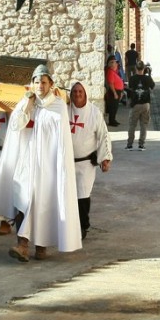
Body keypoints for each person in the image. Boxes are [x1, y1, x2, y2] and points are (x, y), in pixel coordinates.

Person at [0, 64, 81, 262]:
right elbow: (15, 126)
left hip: (48, 166)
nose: (40, 86)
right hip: (26, 163)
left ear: (51, 84)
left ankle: (41, 245)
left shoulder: (58, 106)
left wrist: (58, 168)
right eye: (36, 82)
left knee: (44, 203)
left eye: (43, 82)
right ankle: (22, 244)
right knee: (23, 200)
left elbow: (61, 142)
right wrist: (27, 107)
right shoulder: (26, 103)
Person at [68, 81, 112, 240]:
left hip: (85, 163)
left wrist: (105, 158)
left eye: (80, 92)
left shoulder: (94, 113)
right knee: (68, 195)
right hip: (67, 162)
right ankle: (69, 226)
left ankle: (82, 226)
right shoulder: (65, 111)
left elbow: (103, 135)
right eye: (74, 92)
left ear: (85, 93)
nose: (77, 94)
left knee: (82, 195)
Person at [126, 61, 155, 151]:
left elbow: (130, 89)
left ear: (136, 68)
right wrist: (149, 75)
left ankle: (130, 145)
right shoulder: (147, 78)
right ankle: (141, 145)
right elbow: (153, 86)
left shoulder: (132, 78)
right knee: (144, 125)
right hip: (145, 103)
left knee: (132, 125)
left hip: (135, 104)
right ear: (144, 68)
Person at [104, 57, 124, 126]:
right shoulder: (110, 72)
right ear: (109, 64)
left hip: (117, 91)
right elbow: (111, 83)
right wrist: (115, 93)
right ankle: (111, 121)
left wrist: (121, 92)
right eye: (112, 62)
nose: (114, 64)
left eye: (114, 62)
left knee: (115, 107)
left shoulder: (114, 72)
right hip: (113, 92)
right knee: (113, 107)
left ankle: (113, 120)